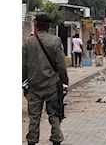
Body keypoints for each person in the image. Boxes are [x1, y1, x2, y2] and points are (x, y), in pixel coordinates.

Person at [22, 13, 69, 145]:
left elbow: (23, 65)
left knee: (34, 117)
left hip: (33, 86)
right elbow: (61, 65)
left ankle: (32, 141)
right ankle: (56, 140)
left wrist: (23, 83)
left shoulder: (28, 42)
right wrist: (65, 83)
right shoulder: (55, 41)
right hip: (52, 86)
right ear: (49, 26)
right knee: (54, 115)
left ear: (36, 25)